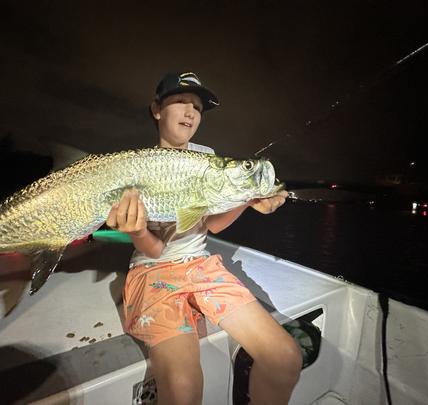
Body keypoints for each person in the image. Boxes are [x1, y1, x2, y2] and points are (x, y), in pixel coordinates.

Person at [106, 72, 302, 405]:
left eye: (196, 106)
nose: (190, 112)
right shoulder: (140, 168)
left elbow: (211, 225)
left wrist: (249, 199)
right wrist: (137, 230)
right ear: (156, 109)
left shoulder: (206, 157)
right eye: (179, 101)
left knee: (285, 358)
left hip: (199, 265)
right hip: (154, 269)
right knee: (183, 391)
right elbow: (154, 249)